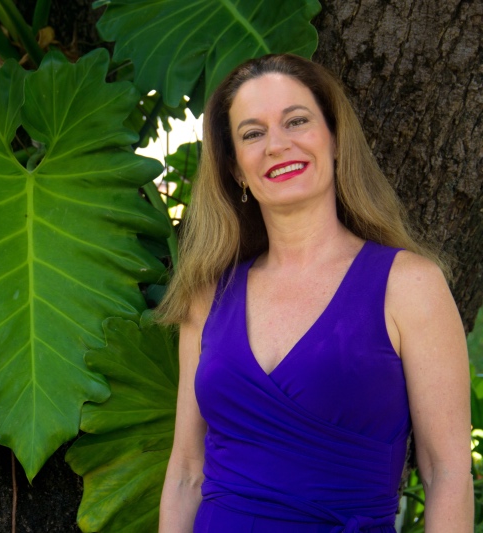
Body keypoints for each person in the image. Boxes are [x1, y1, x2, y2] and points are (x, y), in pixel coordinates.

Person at [156, 54, 472, 532]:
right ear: (236, 169)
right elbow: (185, 473)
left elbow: (446, 473)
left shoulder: (410, 286)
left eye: (296, 121)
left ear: (335, 138)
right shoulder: (207, 298)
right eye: (252, 133)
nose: (277, 145)